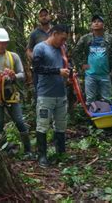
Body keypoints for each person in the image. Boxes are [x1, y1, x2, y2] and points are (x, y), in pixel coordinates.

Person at [32, 24, 70, 167]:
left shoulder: (62, 49)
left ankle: (61, 153)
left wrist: (69, 73)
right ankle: (42, 156)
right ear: (54, 34)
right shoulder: (40, 48)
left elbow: (65, 65)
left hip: (61, 93)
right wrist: (57, 71)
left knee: (61, 125)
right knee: (42, 125)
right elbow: (37, 68)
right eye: (62, 38)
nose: (63, 42)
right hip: (45, 94)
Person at [0, 28, 32, 156]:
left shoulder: (13, 57)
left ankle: (28, 150)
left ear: (7, 43)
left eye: (3, 43)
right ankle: (3, 150)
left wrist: (13, 76)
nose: (1, 45)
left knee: (19, 120)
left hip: (11, 94)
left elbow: (22, 75)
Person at [74, 15, 112, 105]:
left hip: (105, 74)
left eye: (99, 21)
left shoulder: (110, 39)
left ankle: (106, 118)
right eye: (94, 21)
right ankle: (92, 118)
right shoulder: (86, 38)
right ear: (91, 25)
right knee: (90, 100)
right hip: (90, 75)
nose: (96, 23)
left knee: (107, 99)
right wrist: (82, 65)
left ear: (103, 24)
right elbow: (76, 52)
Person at [26, 8, 52, 98]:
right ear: (39, 18)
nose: (44, 17)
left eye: (45, 15)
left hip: (54, 66)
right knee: (40, 91)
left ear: (49, 16)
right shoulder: (34, 34)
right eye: (41, 16)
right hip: (39, 68)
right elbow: (29, 50)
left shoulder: (55, 31)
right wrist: (34, 58)